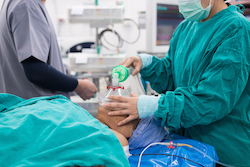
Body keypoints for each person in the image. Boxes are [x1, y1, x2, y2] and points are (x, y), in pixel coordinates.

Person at [104, 0, 250, 166]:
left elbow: (212, 100)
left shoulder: (236, 30)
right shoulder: (186, 27)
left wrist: (155, 105)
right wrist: (148, 64)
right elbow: (173, 77)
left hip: (222, 150)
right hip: (185, 147)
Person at [0, 0, 97, 100]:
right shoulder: (27, 5)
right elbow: (36, 71)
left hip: (26, 108)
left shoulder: (21, 4)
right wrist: (78, 86)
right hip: (36, 110)